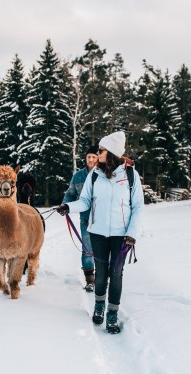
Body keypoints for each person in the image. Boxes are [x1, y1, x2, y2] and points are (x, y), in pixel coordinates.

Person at [56, 131, 144, 334]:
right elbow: (85, 200)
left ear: (111, 152)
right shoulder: (95, 175)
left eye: (101, 150)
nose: (97, 153)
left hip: (122, 235)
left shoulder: (131, 175)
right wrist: (68, 207)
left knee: (116, 273)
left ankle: (112, 315)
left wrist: (132, 232)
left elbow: (138, 206)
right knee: (101, 274)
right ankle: (99, 306)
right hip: (97, 233)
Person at [62, 145, 99, 292]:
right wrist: (65, 205)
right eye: (88, 156)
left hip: (103, 220)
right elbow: (70, 194)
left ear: (98, 158)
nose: (91, 159)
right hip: (85, 219)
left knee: (103, 251)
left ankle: (103, 278)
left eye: (94, 157)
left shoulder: (104, 175)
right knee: (88, 250)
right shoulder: (78, 176)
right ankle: (90, 280)